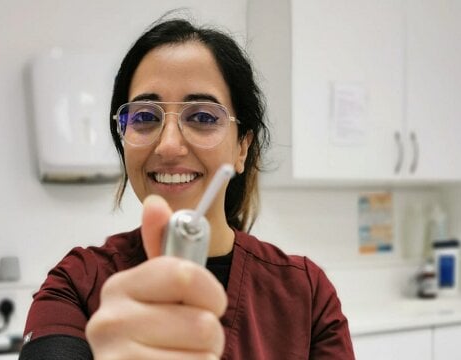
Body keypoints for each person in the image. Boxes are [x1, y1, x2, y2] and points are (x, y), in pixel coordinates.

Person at [19, 16, 355, 360]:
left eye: (203, 117)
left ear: (242, 147)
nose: (168, 145)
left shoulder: (306, 294)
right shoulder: (76, 283)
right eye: (145, 117)